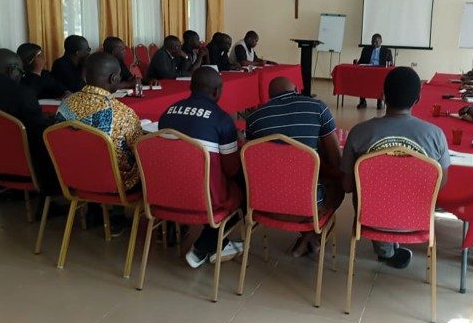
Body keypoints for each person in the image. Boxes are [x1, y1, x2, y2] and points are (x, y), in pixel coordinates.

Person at [341, 67, 450, 269]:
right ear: (418, 98)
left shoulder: (359, 133)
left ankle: (385, 249)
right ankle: (390, 248)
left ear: (382, 95)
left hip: (370, 219)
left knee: (376, 192)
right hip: (417, 221)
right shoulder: (435, 135)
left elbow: (347, 185)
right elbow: (440, 184)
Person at [246, 77, 344, 257]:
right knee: (339, 184)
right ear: (297, 90)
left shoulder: (254, 118)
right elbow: (337, 161)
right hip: (308, 207)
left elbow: (255, 160)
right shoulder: (318, 108)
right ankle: (313, 235)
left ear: (270, 97)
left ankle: (308, 237)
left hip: (263, 204)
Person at [158, 66, 244, 268]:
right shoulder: (222, 119)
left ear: (190, 86)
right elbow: (231, 170)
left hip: (161, 193)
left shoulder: (167, 113)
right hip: (203, 198)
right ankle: (206, 245)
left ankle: (217, 245)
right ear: (217, 91)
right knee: (246, 187)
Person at [0, 49, 60, 203]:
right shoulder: (22, 93)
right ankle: (55, 201)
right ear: (11, 69)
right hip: (29, 169)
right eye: (20, 72)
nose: (21, 76)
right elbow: (41, 130)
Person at [56, 52, 141, 190]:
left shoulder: (65, 104)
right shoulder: (123, 113)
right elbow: (138, 149)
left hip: (72, 176)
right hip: (115, 184)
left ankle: (94, 209)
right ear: (114, 78)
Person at [356, 33, 393, 110]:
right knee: (362, 81)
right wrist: (357, 64)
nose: (374, 43)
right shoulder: (366, 49)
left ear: (381, 41)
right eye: (372, 41)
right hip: (367, 71)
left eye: (376, 42)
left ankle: (379, 102)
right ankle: (362, 101)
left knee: (381, 82)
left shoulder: (387, 51)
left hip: (380, 72)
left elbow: (390, 64)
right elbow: (361, 61)